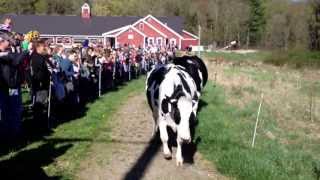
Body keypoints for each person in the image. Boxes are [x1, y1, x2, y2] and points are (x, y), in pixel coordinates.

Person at [0, 32, 28, 140]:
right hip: (8, 86)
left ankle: (13, 132)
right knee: (11, 109)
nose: (10, 42)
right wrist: (26, 50)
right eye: (8, 41)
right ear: (1, 42)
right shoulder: (3, 55)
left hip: (12, 85)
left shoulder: (8, 52)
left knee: (14, 109)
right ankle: (11, 134)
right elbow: (17, 60)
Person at [30, 39, 51, 130]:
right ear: (38, 47)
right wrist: (47, 75)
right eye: (43, 47)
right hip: (40, 84)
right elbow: (39, 73)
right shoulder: (37, 57)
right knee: (40, 105)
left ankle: (41, 123)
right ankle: (39, 126)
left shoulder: (40, 57)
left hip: (42, 84)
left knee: (42, 104)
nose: (44, 48)